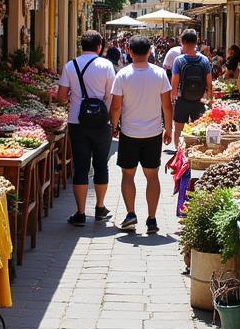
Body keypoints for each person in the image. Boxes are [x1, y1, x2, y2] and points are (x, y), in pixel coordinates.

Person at [109, 35, 172, 234]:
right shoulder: (160, 74)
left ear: (129, 51)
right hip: (153, 133)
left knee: (128, 174)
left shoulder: (123, 74)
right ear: (149, 52)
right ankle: (152, 219)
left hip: (129, 132)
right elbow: (167, 105)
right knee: (152, 175)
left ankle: (130, 214)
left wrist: (114, 125)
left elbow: (116, 105)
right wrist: (168, 128)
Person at [56, 30, 117, 226]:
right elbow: (112, 96)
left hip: (77, 122)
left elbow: (61, 96)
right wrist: (112, 120)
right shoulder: (106, 65)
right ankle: (100, 207)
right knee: (101, 164)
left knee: (81, 165)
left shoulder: (70, 65)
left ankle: (80, 213)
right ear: (99, 47)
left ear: (81, 45)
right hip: (102, 122)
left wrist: (75, 99)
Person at [170, 29, 213, 146]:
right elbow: (209, 83)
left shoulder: (179, 60)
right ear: (196, 41)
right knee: (198, 127)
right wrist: (210, 100)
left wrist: (172, 98)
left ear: (183, 41)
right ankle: (196, 149)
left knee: (178, 127)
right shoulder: (204, 60)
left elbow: (174, 83)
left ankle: (178, 153)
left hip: (181, 99)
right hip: (199, 100)